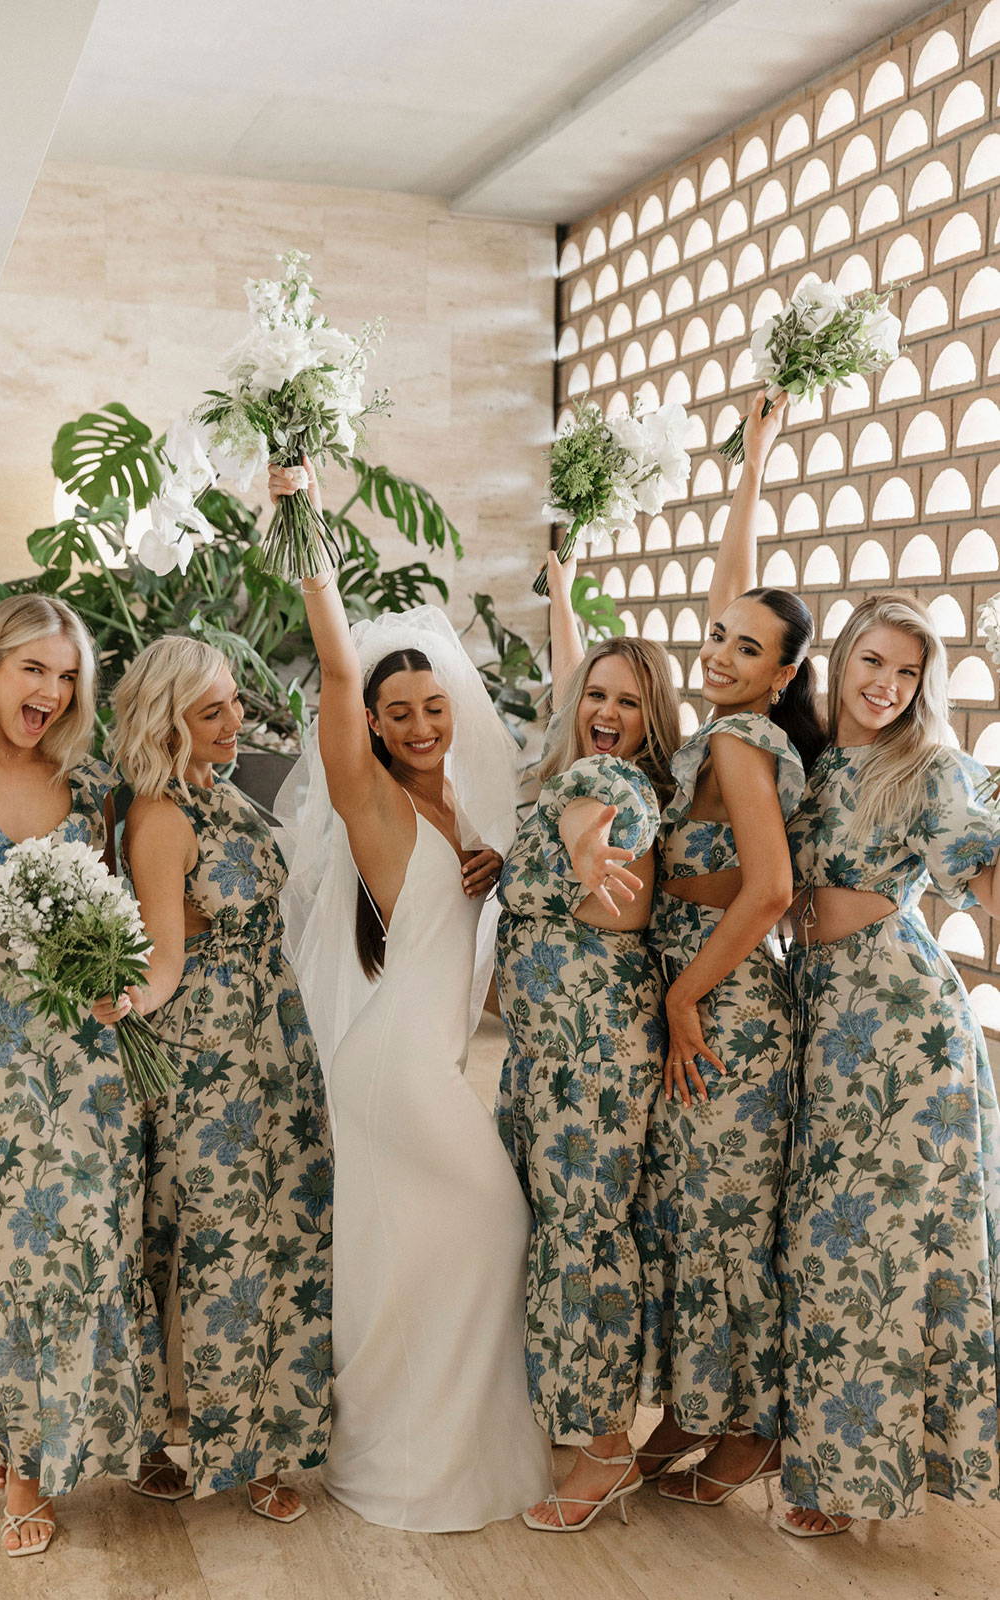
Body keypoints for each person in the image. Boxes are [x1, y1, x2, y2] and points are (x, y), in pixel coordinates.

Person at [273, 458, 552, 1531]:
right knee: (492, 1220)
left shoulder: (475, 826)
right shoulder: (374, 809)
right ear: (379, 728)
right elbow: (337, 678)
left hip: (431, 1059)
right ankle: (410, 1447)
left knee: (418, 1250)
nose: (421, 721)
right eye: (401, 711)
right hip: (389, 1064)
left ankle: (418, 1439)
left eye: (433, 704)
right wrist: (300, 523)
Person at [0, 595, 170, 1556]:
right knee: (14, 1248)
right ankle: (16, 1451)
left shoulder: (96, 781)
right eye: (34, 669)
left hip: (86, 1053)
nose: (52, 691)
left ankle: (54, 1443)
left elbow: (143, 897)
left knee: (87, 1243)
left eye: (67, 676)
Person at [94, 636, 332, 1523]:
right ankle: (222, 1451)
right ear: (168, 725)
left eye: (234, 702)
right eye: (213, 712)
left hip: (275, 1043)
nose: (237, 720)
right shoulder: (161, 817)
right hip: (208, 1066)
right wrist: (122, 998)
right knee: (222, 1256)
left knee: (287, 1242)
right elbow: (163, 963)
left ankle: (274, 1441)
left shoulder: (225, 793)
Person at [637, 393, 826, 1505]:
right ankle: (690, 1410)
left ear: (779, 676)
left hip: (727, 1017)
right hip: (703, 1005)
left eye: (744, 647)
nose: (715, 650)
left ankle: (746, 1428)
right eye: (713, 636)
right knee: (686, 1213)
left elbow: (769, 891)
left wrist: (682, 997)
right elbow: (734, 591)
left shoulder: (745, 745)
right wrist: (750, 465)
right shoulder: (718, 721)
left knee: (717, 1222)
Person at [777, 594, 1000, 1534]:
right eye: (873, 662)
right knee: (830, 1250)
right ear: (842, 657)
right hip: (824, 1014)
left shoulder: (930, 767)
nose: (887, 685)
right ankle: (838, 1471)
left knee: (888, 1248)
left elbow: (984, 881)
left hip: (906, 1027)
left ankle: (862, 1482)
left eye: (907, 672)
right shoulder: (816, 758)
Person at [496, 551, 681, 1529]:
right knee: (563, 1234)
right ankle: (578, 1422)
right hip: (547, 1055)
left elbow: (620, 902)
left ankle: (602, 1445)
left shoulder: (612, 784)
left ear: (651, 721)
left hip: (593, 1058)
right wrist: (564, 596)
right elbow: (576, 686)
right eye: (597, 694)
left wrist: (573, 864)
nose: (607, 710)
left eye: (628, 701)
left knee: (583, 1239)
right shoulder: (578, 765)